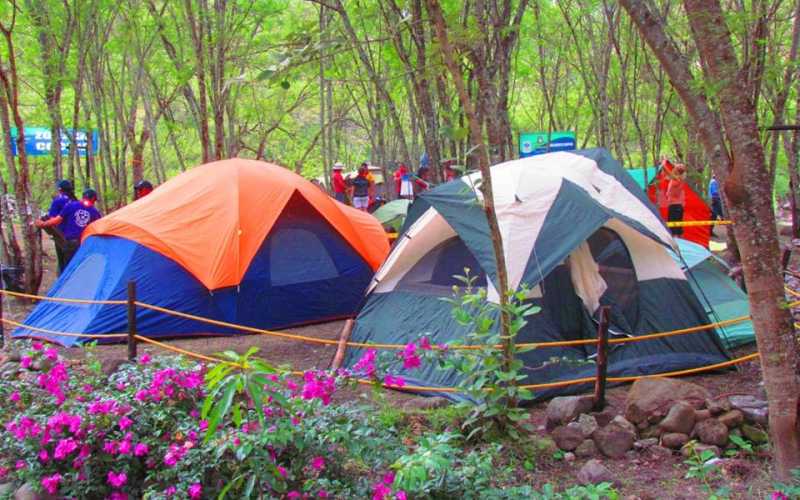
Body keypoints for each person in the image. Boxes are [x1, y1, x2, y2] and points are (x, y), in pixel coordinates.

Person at [36, 188, 103, 270]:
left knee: (68, 267)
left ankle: (66, 281)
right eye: (94, 200)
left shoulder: (71, 205)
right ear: (93, 199)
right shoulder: (94, 212)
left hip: (71, 243)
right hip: (83, 244)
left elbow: (56, 221)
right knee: (78, 267)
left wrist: (43, 224)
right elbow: (99, 229)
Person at [44, 180, 77, 273]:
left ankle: (62, 282)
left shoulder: (58, 200)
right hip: (76, 236)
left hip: (61, 235)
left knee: (62, 261)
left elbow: (52, 218)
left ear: (60, 189)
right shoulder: (75, 201)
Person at [666, 163, 687, 237]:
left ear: (677, 171)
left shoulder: (677, 179)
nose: (673, 169)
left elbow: (668, 173)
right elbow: (668, 176)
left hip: (674, 206)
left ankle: (677, 245)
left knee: (674, 230)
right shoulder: (679, 179)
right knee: (677, 229)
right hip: (677, 206)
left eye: (675, 168)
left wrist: (663, 165)